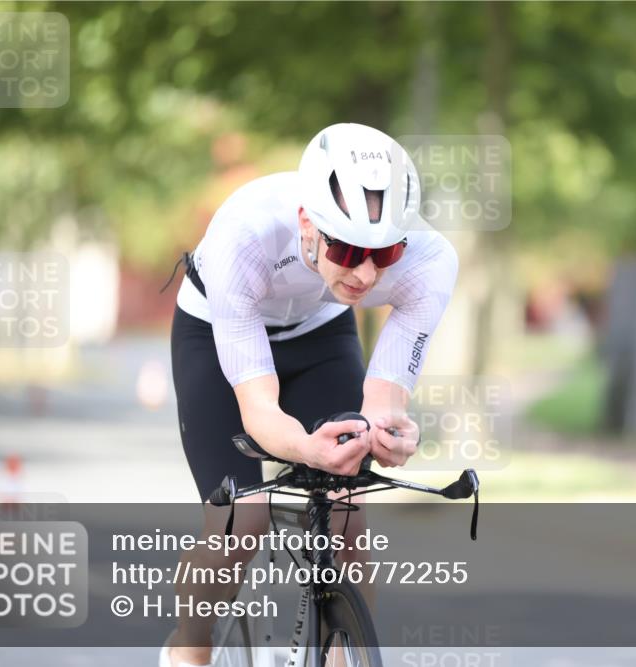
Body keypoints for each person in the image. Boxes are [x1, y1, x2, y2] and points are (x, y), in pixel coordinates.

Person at [163, 123, 458, 666]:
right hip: (216, 331)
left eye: (385, 253)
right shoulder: (245, 233)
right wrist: (305, 448)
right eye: (347, 249)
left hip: (319, 333)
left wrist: (386, 429)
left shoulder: (430, 260)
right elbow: (259, 412)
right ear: (307, 223)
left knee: (347, 513)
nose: (366, 274)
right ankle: (190, 647)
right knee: (239, 521)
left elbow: (383, 403)